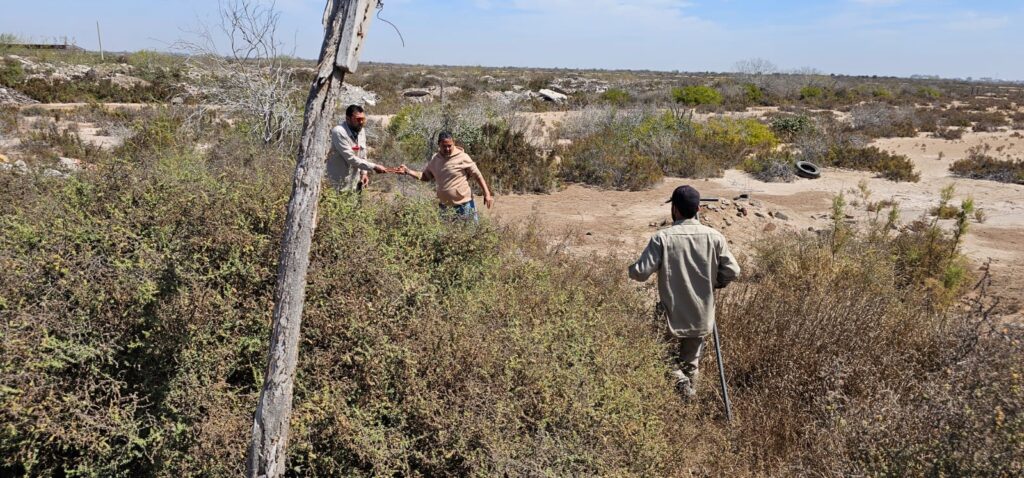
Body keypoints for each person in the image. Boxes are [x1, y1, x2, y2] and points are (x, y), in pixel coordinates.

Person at [628, 185, 741, 399]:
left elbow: (640, 273)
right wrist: (716, 282)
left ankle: (679, 382)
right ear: (698, 208)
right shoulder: (714, 237)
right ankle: (688, 403)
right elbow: (733, 271)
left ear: (676, 210)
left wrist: (630, 270)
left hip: (671, 315)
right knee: (691, 363)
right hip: (701, 314)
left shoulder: (662, 238)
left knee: (659, 355)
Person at [397, 132, 494, 221]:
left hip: (464, 205)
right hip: (445, 207)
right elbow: (425, 176)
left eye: (449, 146)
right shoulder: (435, 159)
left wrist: (487, 193)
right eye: (444, 146)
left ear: (454, 143)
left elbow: (478, 175)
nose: (447, 149)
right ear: (439, 145)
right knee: (446, 237)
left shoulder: (463, 157)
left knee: (470, 234)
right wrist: (408, 171)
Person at [327, 104, 389, 191]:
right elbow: (350, 158)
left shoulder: (361, 131)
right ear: (348, 119)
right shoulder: (339, 132)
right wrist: (374, 167)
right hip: (338, 184)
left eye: (363, 119)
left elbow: (363, 154)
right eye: (358, 119)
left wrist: (364, 173)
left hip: (354, 183)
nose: (361, 122)